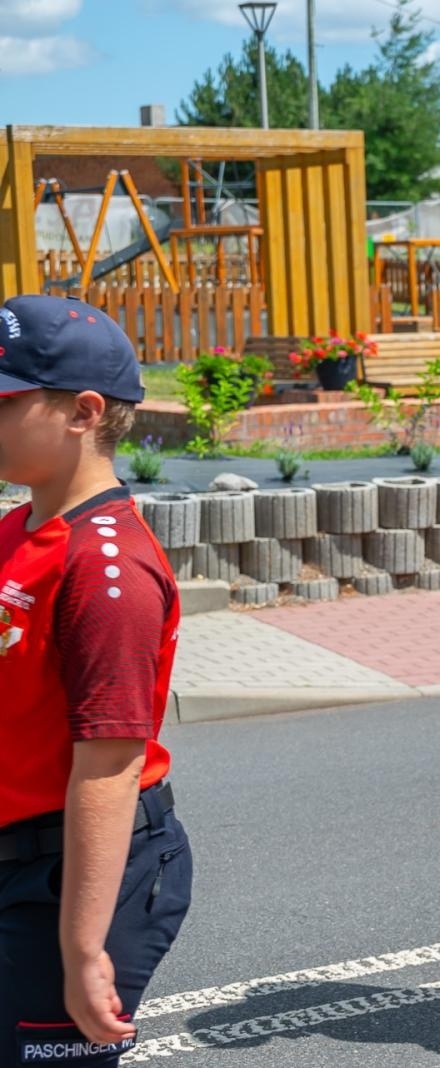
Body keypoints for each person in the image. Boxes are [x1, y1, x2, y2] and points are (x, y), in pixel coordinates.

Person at [0, 294, 193, 1067]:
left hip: (72, 876)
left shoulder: (107, 571)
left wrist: (83, 949)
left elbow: (108, 770)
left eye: (7, 400)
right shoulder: (19, 528)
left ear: (82, 412)